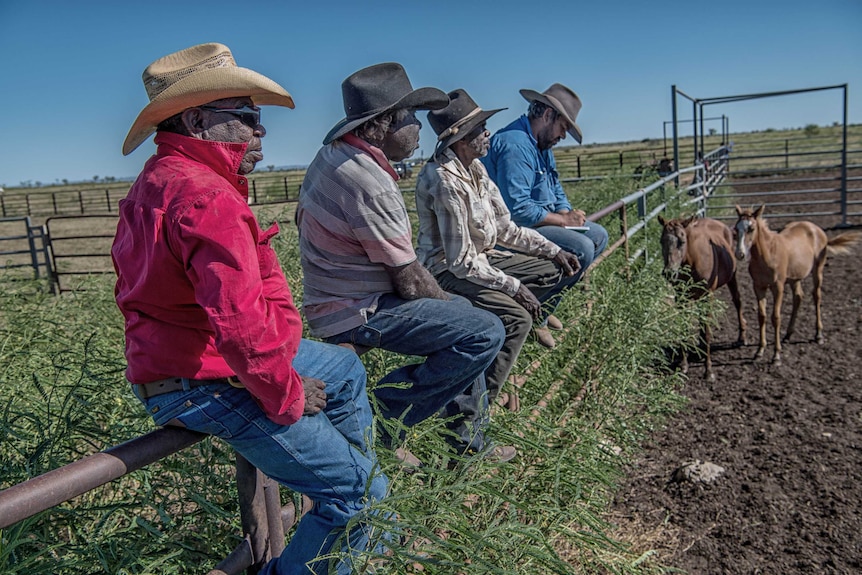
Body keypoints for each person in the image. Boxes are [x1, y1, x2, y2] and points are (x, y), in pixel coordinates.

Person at [112, 43, 388, 575]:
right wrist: (285, 391)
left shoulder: (158, 181)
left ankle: (344, 499)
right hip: (208, 378)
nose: (260, 131)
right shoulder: (206, 196)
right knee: (361, 495)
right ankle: (354, 507)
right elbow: (239, 330)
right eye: (246, 117)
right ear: (198, 119)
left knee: (345, 368)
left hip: (188, 362)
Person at [296, 63, 514, 462]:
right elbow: (410, 282)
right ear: (380, 126)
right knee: (483, 331)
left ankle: (466, 440)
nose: (418, 126)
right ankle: (381, 419)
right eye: (410, 117)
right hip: (357, 310)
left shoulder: (334, 156)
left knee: (467, 315)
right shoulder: (369, 182)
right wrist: (446, 302)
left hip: (338, 299)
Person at [415, 89, 582, 405]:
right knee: (517, 318)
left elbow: (506, 228)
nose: (487, 132)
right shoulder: (444, 180)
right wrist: (514, 287)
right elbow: (461, 261)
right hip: (446, 269)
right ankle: (481, 405)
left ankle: (509, 338)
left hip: (482, 257)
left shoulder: (476, 170)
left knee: (551, 269)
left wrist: (552, 250)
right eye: (480, 128)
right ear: (462, 138)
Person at [482, 83, 609, 281]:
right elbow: (519, 209)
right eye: (563, 127)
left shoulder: (542, 145)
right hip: (511, 230)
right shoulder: (516, 145)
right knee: (582, 247)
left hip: (536, 222)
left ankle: (550, 292)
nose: (563, 136)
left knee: (598, 235)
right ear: (548, 115)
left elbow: (554, 185)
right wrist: (564, 221)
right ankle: (544, 300)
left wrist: (566, 212)